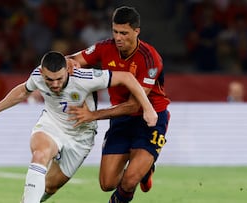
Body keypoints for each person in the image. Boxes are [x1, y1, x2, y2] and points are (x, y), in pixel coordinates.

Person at [0, 51, 158, 203]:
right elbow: (23, 90)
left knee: (50, 186)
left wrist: (148, 108)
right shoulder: (37, 76)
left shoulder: (84, 78)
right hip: (52, 125)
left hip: (81, 137)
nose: (54, 84)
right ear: (42, 72)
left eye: (59, 79)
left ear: (67, 71)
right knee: (40, 154)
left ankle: (143, 172)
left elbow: (127, 77)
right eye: (49, 80)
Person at [66, 6, 171, 203]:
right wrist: (70, 63)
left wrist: (92, 115)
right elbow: (72, 59)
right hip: (121, 120)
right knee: (107, 183)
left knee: (129, 181)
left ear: (136, 31)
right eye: (115, 32)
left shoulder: (150, 59)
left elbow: (134, 105)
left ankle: (139, 171)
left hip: (150, 119)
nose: (118, 37)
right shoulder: (104, 48)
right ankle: (144, 169)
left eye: (124, 33)